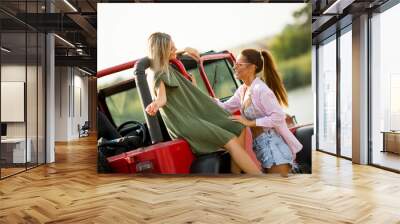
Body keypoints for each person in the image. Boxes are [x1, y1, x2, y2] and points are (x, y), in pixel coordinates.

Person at [144, 32, 261, 174]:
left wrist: (185, 50)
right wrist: (155, 104)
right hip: (186, 122)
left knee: (238, 125)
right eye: (171, 48)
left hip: (196, 115)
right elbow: (162, 98)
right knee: (230, 141)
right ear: (162, 52)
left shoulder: (165, 66)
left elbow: (172, 56)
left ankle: (236, 176)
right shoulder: (158, 73)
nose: (175, 50)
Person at [214, 49, 302, 177]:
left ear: (252, 67)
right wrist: (201, 95)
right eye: (235, 64)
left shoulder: (261, 90)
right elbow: (225, 107)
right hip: (260, 146)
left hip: (272, 144)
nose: (234, 67)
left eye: (239, 64)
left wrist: (250, 122)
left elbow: (278, 116)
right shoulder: (242, 90)